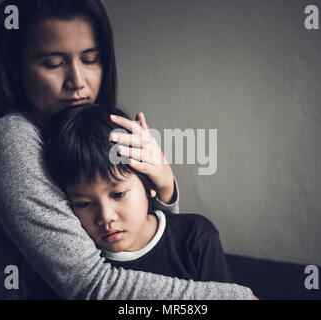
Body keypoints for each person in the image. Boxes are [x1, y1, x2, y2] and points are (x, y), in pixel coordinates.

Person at [0, 0, 254, 299]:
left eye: (90, 59)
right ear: (15, 67)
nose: (77, 82)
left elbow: (149, 253)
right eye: (53, 64)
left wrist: (164, 184)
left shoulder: (89, 130)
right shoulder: (11, 142)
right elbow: (93, 286)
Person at [43, 104, 234, 284]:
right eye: (84, 204)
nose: (106, 217)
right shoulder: (80, 264)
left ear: (150, 183)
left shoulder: (195, 237)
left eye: (118, 194)